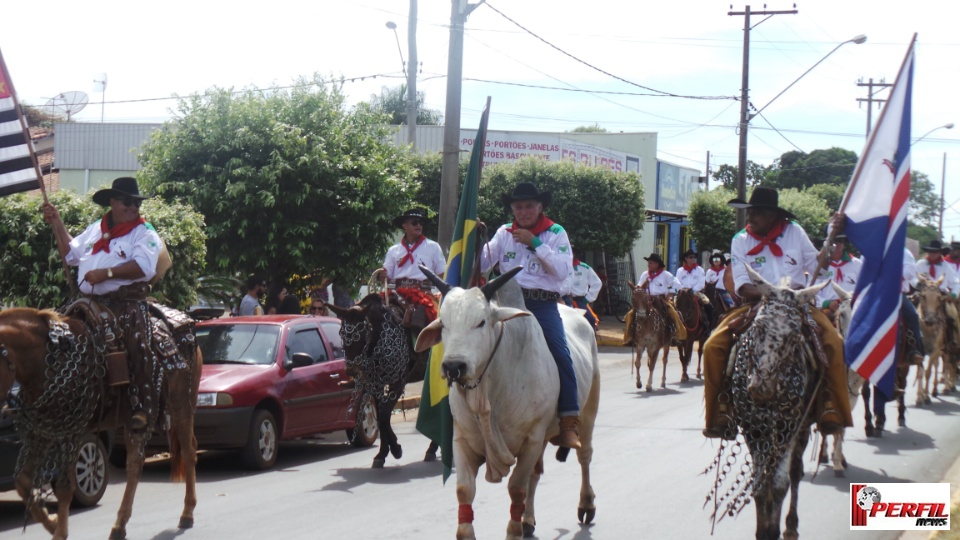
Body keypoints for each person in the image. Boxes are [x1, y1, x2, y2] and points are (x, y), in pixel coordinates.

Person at [702, 187, 853, 439]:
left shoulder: (794, 231)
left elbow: (820, 264)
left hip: (798, 305)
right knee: (712, 346)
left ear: (773, 216)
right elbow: (742, 285)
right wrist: (772, 294)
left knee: (834, 343)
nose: (750, 218)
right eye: (749, 212)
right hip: (755, 304)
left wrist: (830, 235)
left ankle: (831, 408)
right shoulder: (740, 239)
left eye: (757, 213)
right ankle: (720, 413)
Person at [42, 176, 186, 432]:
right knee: (55, 334)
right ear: (112, 202)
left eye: (136, 203)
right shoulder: (96, 228)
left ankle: (141, 404)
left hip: (125, 302)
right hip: (88, 301)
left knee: (137, 339)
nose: (133, 207)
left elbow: (143, 266)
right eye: (127, 202)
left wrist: (106, 274)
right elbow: (70, 254)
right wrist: (57, 222)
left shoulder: (144, 232)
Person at [479, 182, 581, 449]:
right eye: (518, 207)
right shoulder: (503, 233)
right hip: (506, 300)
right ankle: (472, 409)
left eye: (528, 206)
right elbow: (482, 264)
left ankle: (569, 420)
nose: (523, 212)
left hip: (541, 305)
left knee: (560, 352)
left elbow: (561, 271)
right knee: (474, 345)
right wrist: (473, 240)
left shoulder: (555, 233)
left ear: (540, 207)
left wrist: (535, 243)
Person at [621, 253, 687, 345]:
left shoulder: (666, 275)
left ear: (657, 264)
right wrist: (636, 288)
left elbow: (678, 285)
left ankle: (676, 335)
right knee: (630, 314)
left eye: (651, 263)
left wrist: (670, 293)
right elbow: (640, 286)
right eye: (648, 263)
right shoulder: (645, 274)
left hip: (660, 300)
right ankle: (630, 336)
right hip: (646, 300)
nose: (649, 265)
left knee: (673, 314)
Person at [374, 208, 446, 290]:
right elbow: (387, 278)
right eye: (414, 223)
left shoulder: (433, 246)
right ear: (405, 226)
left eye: (421, 223)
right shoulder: (393, 250)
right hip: (399, 294)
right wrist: (383, 276)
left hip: (423, 294)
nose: (419, 225)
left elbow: (442, 273)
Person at [813, 232, 862, 316]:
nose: (837, 244)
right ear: (826, 244)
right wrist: (826, 303)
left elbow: (864, 290)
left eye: (840, 240)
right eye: (833, 241)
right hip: (827, 312)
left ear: (843, 243)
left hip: (852, 311)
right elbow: (812, 292)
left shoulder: (857, 264)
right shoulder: (820, 267)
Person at [562, 249, 603, 330]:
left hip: (579, 301)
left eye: (571, 252)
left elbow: (597, 283)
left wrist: (587, 299)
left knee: (591, 320)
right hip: (563, 299)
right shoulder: (561, 266)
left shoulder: (585, 268)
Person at [676, 248, 713, 321]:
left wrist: (692, 290)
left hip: (696, 292)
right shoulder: (680, 271)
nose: (693, 259)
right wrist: (684, 290)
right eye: (690, 257)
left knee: (708, 305)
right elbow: (677, 283)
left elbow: (701, 284)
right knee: (672, 306)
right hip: (683, 293)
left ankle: (709, 325)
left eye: (694, 257)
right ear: (686, 259)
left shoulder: (700, 270)